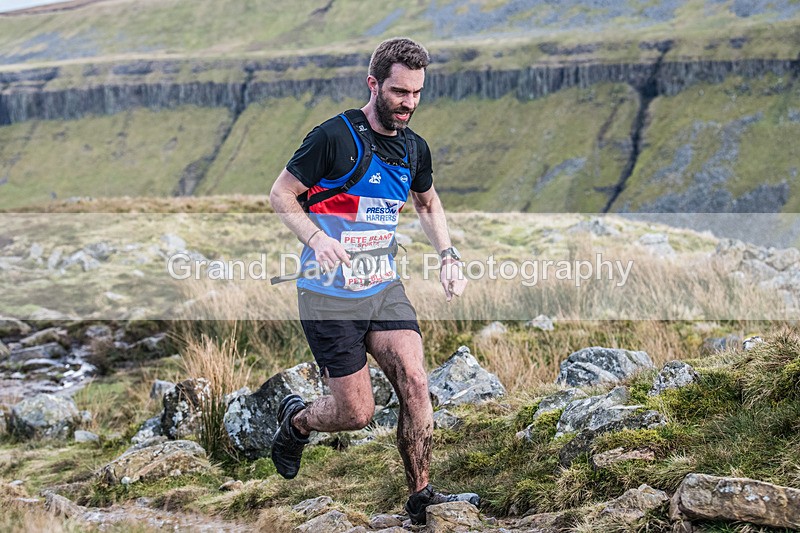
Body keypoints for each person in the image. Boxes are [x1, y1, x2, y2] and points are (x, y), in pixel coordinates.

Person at [268, 37, 477, 525]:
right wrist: (317, 237)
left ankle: (421, 496)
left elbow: (427, 203)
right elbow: (281, 193)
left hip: (382, 287)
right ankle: (298, 420)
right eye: (399, 92)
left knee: (416, 381)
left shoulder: (413, 149)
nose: (408, 103)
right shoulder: (334, 137)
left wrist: (448, 255)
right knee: (356, 413)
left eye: (417, 93)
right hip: (327, 296)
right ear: (374, 84)